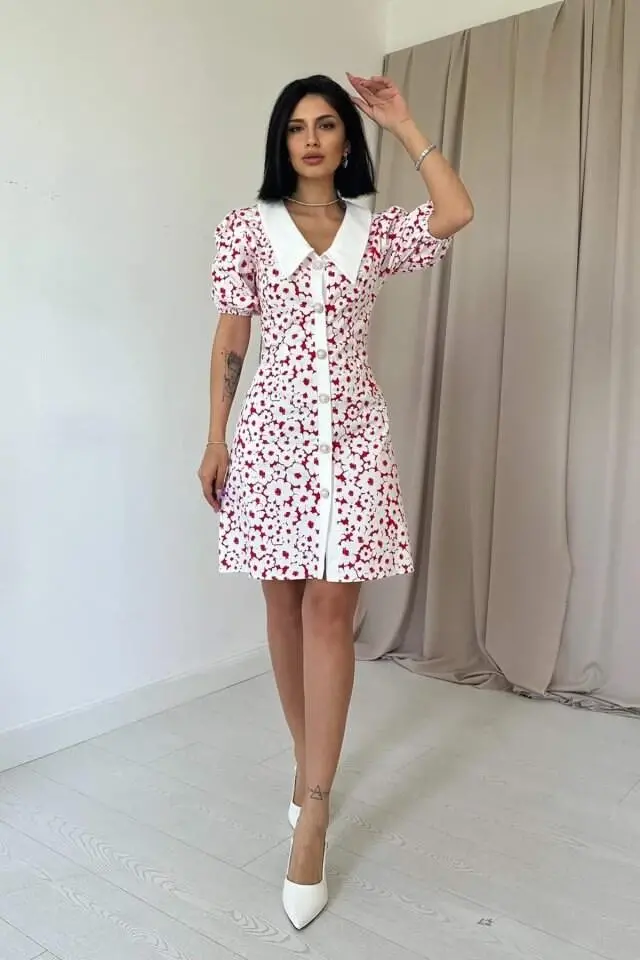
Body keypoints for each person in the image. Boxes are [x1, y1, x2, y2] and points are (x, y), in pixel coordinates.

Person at [198, 72, 473, 928]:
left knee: (331, 611)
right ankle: (304, 758)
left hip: (353, 439)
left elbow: (456, 210)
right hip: (273, 438)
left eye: (326, 125)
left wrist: (404, 123)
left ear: (346, 140)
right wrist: (216, 436)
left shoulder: (373, 232)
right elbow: (232, 333)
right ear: (280, 143)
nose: (311, 139)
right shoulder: (247, 228)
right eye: (296, 127)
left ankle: (314, 809)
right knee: (282, 606)